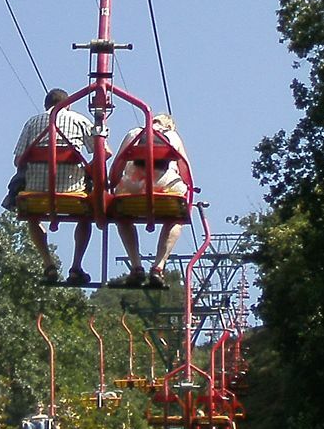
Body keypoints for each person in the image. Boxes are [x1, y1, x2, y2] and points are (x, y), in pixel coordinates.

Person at [11, 88, 95, 285]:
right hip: (72, 192)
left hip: (37, 194)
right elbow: (104, 153)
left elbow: (18, 161)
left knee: (32, 216)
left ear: (46, 106)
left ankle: (48, 264)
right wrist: (87, 169)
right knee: (86, 216)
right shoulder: (79, 120)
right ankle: (76, 266)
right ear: (69, 104)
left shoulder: (33, 122)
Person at [109, 113, 191, 288]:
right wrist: (187, 188)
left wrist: (113, 184)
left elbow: (118, 165)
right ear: (169, 125)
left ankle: (136, 265)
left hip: (134, 186)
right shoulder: (172, 136)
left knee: (122, 217)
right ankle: (159, 266)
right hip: (165, 186)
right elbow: (185, 169)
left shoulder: (134, 133)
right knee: (176, 218)